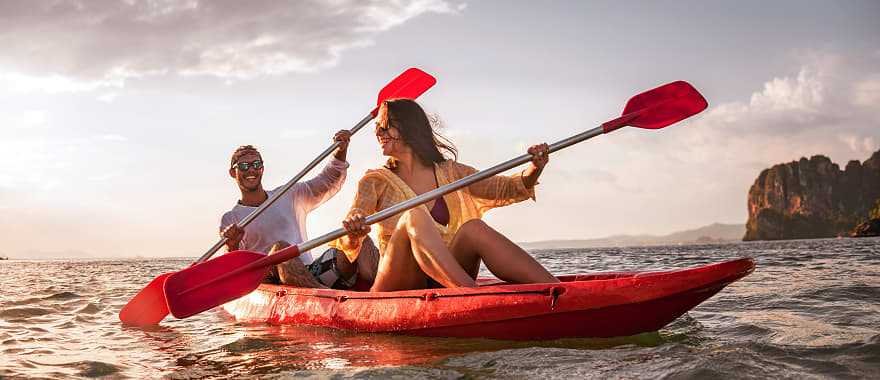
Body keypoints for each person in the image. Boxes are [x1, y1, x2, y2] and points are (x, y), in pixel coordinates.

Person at [334, 98, 560, 292]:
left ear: (409, 128)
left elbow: (505, 188)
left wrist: (535, 167)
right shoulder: (375, 180)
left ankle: (559, 290)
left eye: (385, 127)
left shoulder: (452, 172)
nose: (378, 134)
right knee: (414, 216)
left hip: (445, 279)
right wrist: (355, 225)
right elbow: (356, 217)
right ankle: (472, 295)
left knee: (474, 227)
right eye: (377, 129)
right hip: (399, 282)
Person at [219, 130, 377, 289]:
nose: (251, 170)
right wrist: (232, 245)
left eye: (256, 164)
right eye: (244, 166)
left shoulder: (288, 194)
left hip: (310, 273)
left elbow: (328, 180)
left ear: (262, 168)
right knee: (280, 249)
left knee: (358, 237)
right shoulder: (231, 218)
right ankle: (323, 296)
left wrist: (340, 151)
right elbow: (235, 267)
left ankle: (382, 291)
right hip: (272, 280)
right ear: (233, 172)